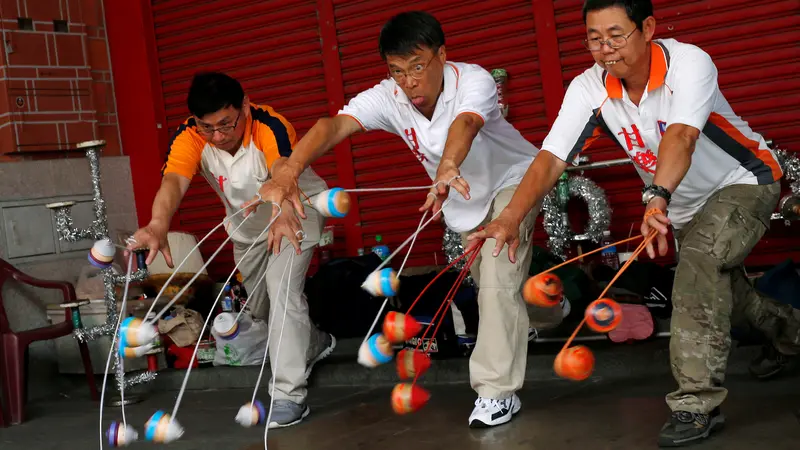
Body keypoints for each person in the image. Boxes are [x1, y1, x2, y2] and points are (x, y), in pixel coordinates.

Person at [468, 0, 800, 446]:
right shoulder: (590, 88)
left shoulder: (688, 63)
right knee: (723, 288)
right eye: (593, 38)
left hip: (743, 181)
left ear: (647, 28)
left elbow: (681, 136)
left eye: (616, 35)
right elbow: (550, 159)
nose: (605, 49)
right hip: (679, 206)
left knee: (699, 266)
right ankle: (790, 334)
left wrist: (656, 197)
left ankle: (695, 404)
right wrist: (509, 218)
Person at [246, 11, 563, 428]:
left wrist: (448, 166)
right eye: (398, 71)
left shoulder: (474, 81)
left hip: (514, 182)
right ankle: (553, 309)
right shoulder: (389, 97)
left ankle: (495, 392)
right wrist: (288, 171)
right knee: (501, 288)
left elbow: (466, 123)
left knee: (496, 278)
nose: (409, 81)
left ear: (441, 56)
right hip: (462, 203)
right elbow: (333, 125)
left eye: (417, 67)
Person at [127, 72, 336, 429]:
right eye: (208, 128)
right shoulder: (190, 136)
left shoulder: (269, 125)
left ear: (245, 105)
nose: (218, 136)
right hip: (246, 230)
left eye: (226, 124)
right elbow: (174, 181)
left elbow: (282, 169)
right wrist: (158, 222)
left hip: (293, 213)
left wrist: (284, 209)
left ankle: (289, 396)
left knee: (282, 289)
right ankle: (313, 342)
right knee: (261, 305)